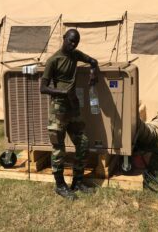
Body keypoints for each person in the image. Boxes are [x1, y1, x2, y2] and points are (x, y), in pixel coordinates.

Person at [40, 28, 98, 200]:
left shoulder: (75, 55)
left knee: (83, 143)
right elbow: (43, 88)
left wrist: (94, 73)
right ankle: (59, 186)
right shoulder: (54, 61)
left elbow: (92, 61)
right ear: (64, 38)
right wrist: (62, 92)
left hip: (74, 107)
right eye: (71, 40)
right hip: (58, 108)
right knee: (59, 149)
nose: (73, 44)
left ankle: (77, 181)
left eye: (76, 42)